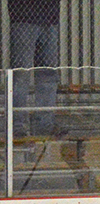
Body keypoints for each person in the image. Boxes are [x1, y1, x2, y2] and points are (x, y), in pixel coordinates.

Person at [8, 0, 65, 137]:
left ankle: (45, 123)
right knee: (21, 74)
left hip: (49, 19)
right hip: (24, 18)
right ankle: (17, 125)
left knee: (48, 74)